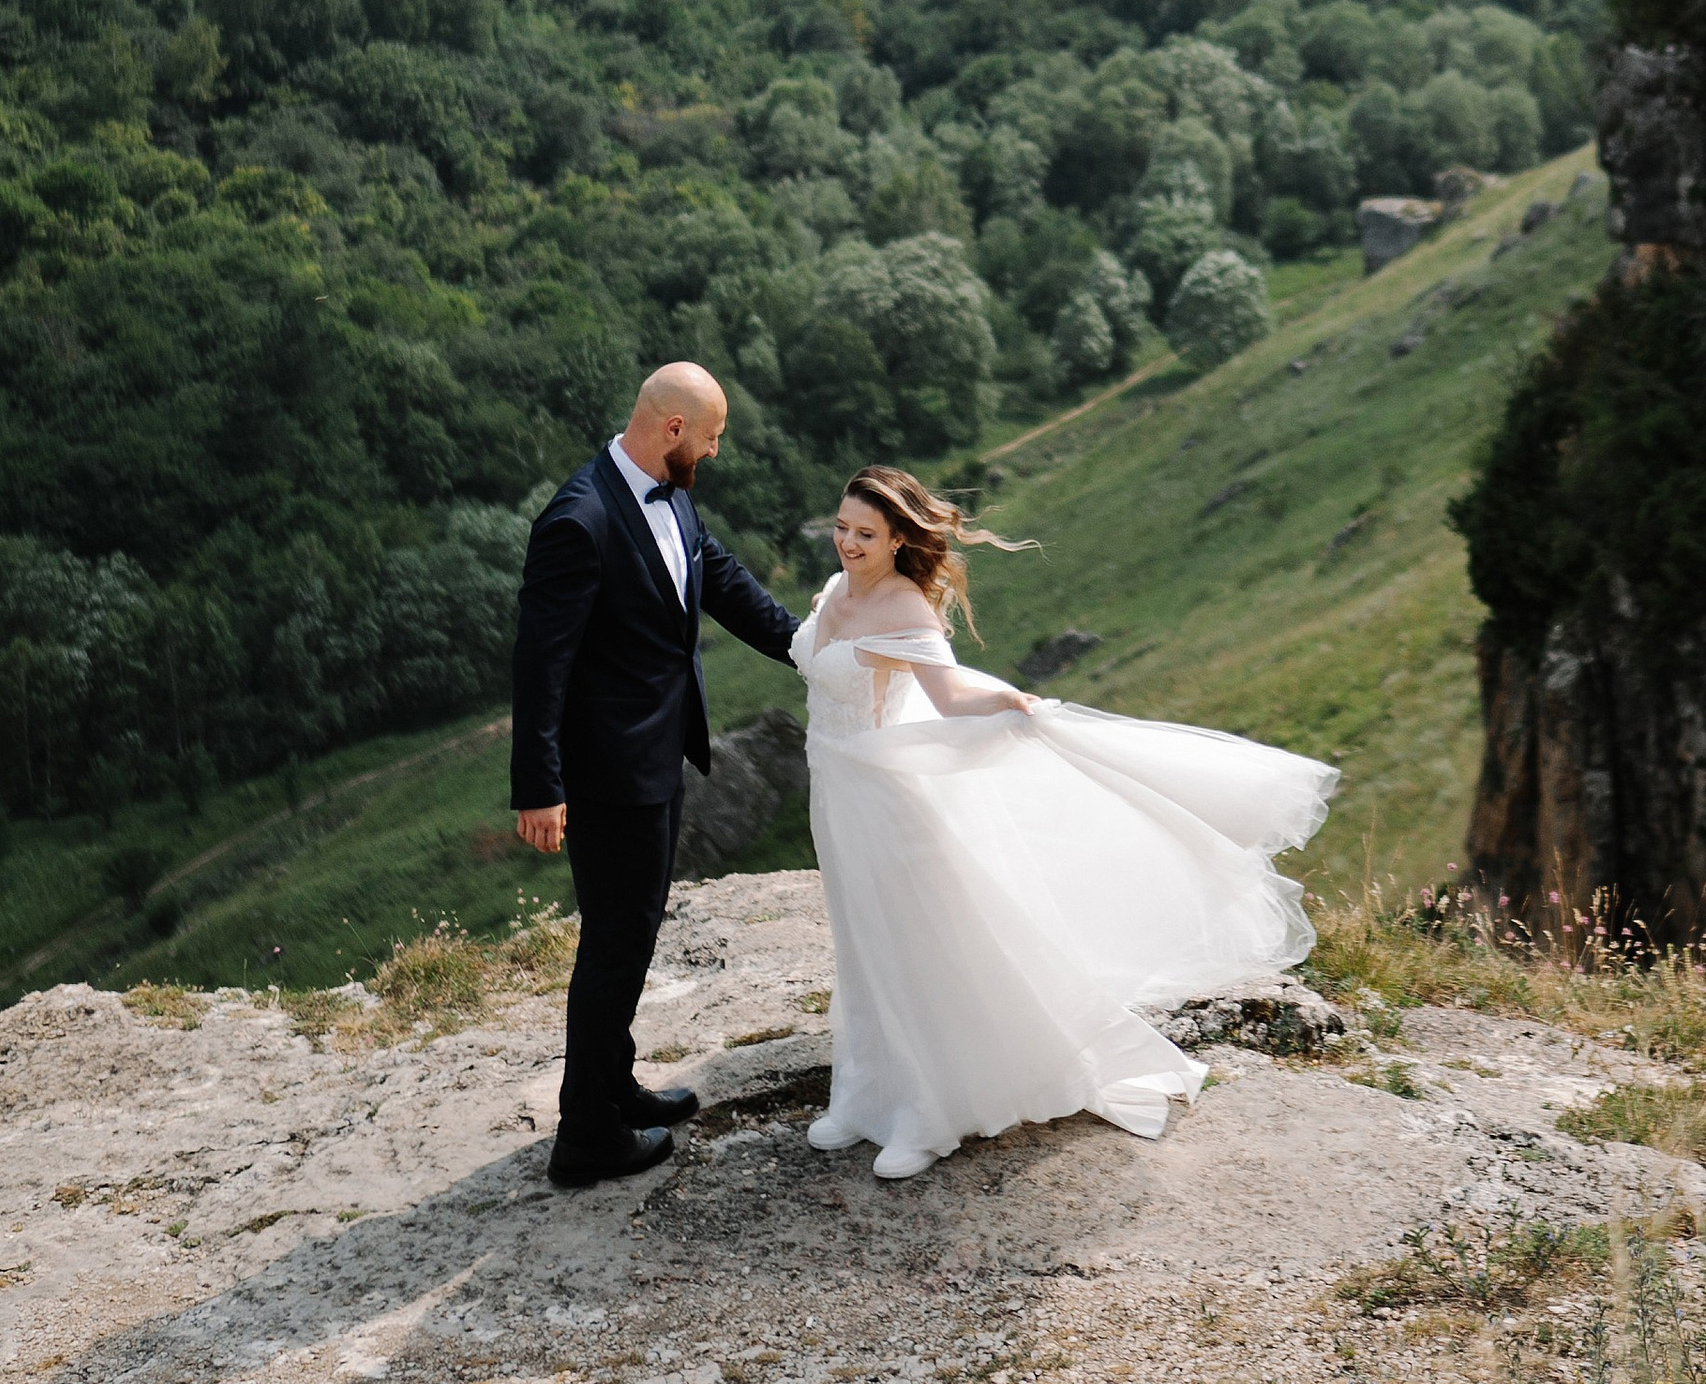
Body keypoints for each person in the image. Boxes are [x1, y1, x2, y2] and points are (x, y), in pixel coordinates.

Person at [793, 464, 1336, 1182]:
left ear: (898, 540)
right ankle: (864, 1097)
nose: (847, 543)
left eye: (865, 533)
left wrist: (1009, 706)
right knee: (860, 941)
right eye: (841, 527)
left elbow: (950, 696)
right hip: (835, 794)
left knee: (909, 945)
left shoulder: (903, 610)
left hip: (884, 801)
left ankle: (926, 1114)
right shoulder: (836, 591)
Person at [511, 362, 802, 1189]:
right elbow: (542, 662)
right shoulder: (579, 518)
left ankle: (613, 1087)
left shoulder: (668, 491)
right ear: (672, 429)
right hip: (609, 775)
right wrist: (540, 784)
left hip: (658, 756)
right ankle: (586, 1137)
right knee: (614, 944)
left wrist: (810, 648)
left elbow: (721, 578)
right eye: (709, 440)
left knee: (628, 937)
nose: (712, 455)